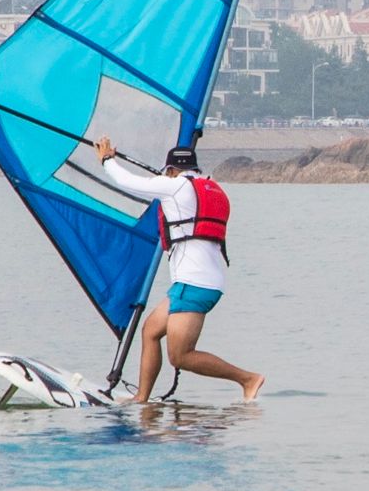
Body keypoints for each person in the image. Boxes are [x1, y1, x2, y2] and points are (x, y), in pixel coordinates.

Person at [95, 137, 263, 403]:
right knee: (151, 330)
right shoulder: (209, 188)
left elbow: (129, 182)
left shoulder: (174, 187)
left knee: (180, 355)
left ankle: (248, 379)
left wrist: (107, 159)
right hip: (197, 282)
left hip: (194, 284)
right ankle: (142, 398)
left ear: (171, 170)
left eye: (167, 172)